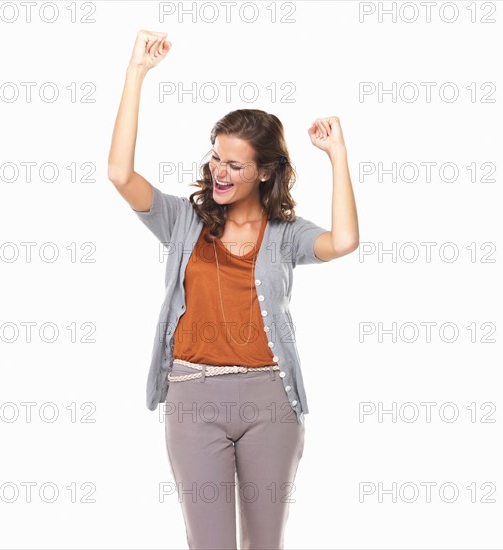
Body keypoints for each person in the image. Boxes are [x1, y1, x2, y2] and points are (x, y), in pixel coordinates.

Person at [108, 29, 359, 550]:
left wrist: (337, 155)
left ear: (266, 173)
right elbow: (118, 173)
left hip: (272, 402)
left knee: (265, 545)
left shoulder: (287, 234)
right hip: (193, 397)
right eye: (216, 157)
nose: (219, 172)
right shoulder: (180, 219)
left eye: (235, 164)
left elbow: (345, 241)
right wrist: (136, 72)